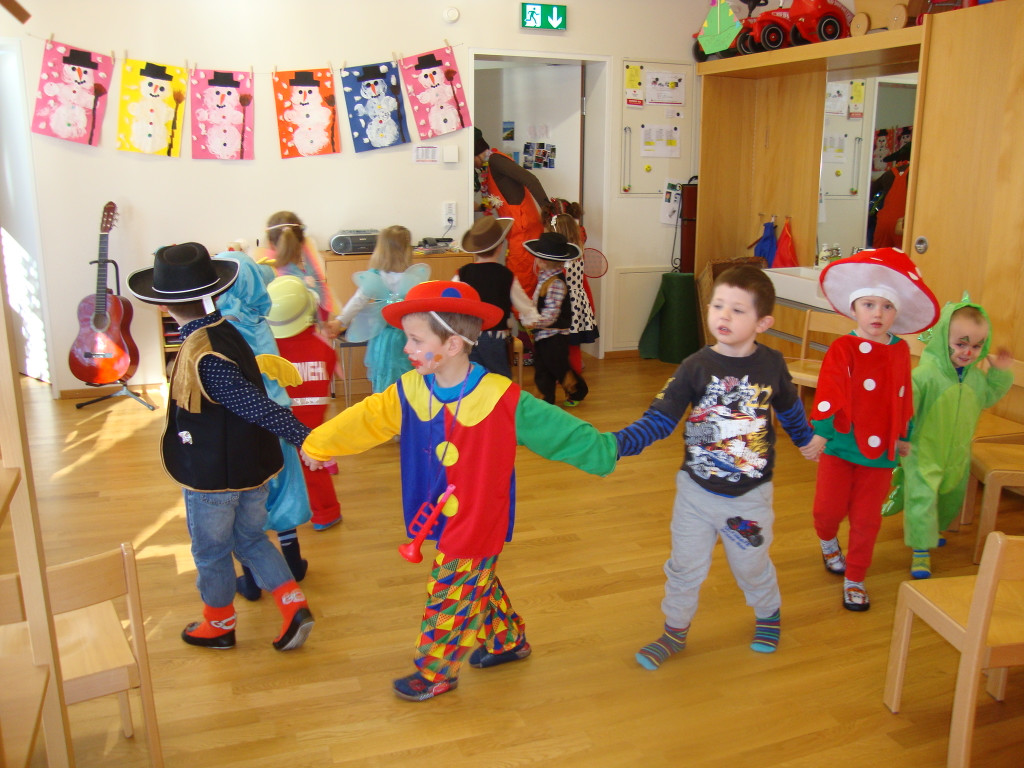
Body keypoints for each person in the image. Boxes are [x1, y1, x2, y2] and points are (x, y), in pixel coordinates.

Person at [300, 280, 618, 701]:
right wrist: (319, 443)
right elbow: (367, 418)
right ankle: (507, 640)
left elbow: (558, 431)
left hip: (478, 514)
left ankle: (435, 672)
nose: (407, 349)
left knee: (450, 589)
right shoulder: (412, 388)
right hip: (435, 509)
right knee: (473, 577)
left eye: (416, 340)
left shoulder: (500, 397)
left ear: (452, 345)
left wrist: (610, 448)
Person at [613, 265, 819, 668]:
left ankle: (768, 614)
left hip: (749, 499)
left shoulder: (772, 364)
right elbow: (660, 418)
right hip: (695, 494)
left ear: (763, 323)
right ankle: (674, 631)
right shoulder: (695, 366)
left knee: (751, 565)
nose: (723, 315)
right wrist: (619, 444)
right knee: (684, 567)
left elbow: (790, 408)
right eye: (718, 305)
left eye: (737, 310)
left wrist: (806, 441)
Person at [126, 242, 315, 651]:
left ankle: (219, 624)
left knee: (211, 551)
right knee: (250, 539)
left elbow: (254, 405)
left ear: (163, 305)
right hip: (252, 468)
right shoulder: (225, 329)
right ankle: (292, 605)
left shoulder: (205, 354)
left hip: (215, 478)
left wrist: (305, 437)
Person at [804, 247, 939, 611]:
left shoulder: (899, 351)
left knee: (866, 520)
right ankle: (828, 541)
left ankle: (856, 577)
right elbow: (830, 390)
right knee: (827, 511)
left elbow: (903, 394)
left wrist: (904, 435)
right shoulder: (843, 347)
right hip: (839, 444)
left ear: (897, 313)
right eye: (869, 305)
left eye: (887, 306)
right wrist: (822, 432)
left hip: (880, 452)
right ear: (854, 309)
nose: (877, 313)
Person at [883, 295, 1013, 578]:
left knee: (950, 496)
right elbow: (905, 408)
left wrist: (1000, 374)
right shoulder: (925, 376)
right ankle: (920, 549)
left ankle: (933, 530)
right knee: (923, 498)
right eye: (961, 344)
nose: (968, 352)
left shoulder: (976, 379)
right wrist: (900, 436)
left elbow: (989, 397)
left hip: (956, 453)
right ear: (944, 339)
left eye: (976, 346)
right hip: (922, 452)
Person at [212, 251, 313, 600]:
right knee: (284, 492)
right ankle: (293, 563)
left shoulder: (222, 326)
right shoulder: (259, 318)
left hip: (244, 424)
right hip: (279, 419)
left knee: (247, 502)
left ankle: (252, 580)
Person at [266, 275, 344, 532]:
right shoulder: (324, 347)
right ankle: (326, 513)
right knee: (313, 466)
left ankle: (273, 512)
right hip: (313, 420)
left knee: (272, 467)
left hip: (278, 419)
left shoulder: (269, 348)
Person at [335, 225, 430, 392]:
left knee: (384, 380)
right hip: (408, 335)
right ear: (406, 250)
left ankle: (386, 405)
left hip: (383, 336)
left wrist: (340, 321)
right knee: (409, 377)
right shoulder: (413, 277)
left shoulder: (375, 276)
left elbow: (358, 300)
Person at [453, 216, 540, 376]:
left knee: (471, 376)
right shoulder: (506, 275)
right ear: (500, 247)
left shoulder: (462, 274)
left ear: (475, 249)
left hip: (468, 336)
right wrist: (532, 318)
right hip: (495, 338)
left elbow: (451, 303)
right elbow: (524, 305)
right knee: (499, 379)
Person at [474, 127, 549, 298]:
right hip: (515, 233)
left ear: (476, 153)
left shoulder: (496, 161)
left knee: (522, 284)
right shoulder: (487, 169)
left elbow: (531, 180)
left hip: (525, 233)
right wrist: (478, 208)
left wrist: (549, 214)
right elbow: (496, 202)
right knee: (516, 283)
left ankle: (525, 316)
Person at [523, 232, 588, 406]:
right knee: (542, 370)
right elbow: (538, 302)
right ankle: (545, 402)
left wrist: (534, 321)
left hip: (555, 338)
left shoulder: (556, 283)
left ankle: (577, 390)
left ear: (542, 261)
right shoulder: (544, 278)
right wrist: (529, 312)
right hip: (544, 336)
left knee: (559, 368)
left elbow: (551, 314)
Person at [260, 210, 342, 339]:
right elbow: (322, 294)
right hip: (311, 337)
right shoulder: (309, 261)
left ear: (270, 243)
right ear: (303, 241)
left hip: (278, 340)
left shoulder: (266, 268)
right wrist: (324, 324)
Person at [545, 207, 599, 378]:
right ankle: (573, 379)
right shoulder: (579, 255)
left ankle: (563, 377)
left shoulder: (559, 259)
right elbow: (583, 283)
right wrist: (590, 306)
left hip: (564, 306)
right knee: (573, 347)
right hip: (577, 305)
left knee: (559, 346)